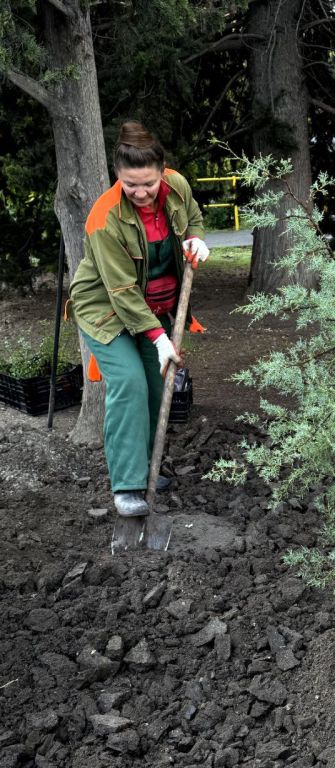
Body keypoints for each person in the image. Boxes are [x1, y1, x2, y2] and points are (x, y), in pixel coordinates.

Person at [68, 121, 209, 516]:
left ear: (162, 170)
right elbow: (121, 292)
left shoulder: (177, 188)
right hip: (106, 311)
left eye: (148, 183)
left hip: (156, 310)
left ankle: (148, 466)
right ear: (118, 175)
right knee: (129, 382)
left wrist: (196, 236)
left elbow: (193, 215)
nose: (141, 192)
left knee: (154, 383)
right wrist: (159, 339)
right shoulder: (104, 218)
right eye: (131, 185)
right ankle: (128, 486)